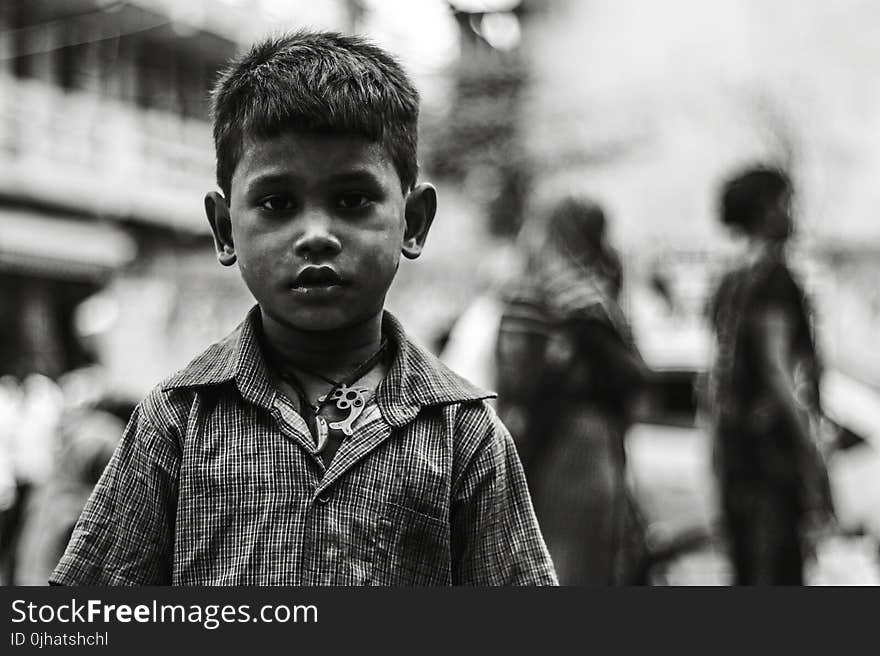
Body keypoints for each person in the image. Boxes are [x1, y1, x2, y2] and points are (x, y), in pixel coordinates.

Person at [49, 31, 556, 586]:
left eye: (352, 200)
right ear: (225, 230)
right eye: (277, 203)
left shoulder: (465, 434)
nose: (316, 235)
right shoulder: (176, 421)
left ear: (413, 222)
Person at [495, 196, 650, 585]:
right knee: (585, 563)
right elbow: (636, 377)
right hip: (596, 444)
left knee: (558, 564)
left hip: (558, 445)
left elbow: (516, 379)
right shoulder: (598, 297)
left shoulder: (539, 291)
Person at [707, 165, 835, 585]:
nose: (791, 213)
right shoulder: (774, 280)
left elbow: (717, 380)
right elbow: (778, 371)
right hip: (772, 461)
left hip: (736, 456)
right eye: (785, 202)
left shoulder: (730, 281)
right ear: (764, 210)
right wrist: (811, 449)